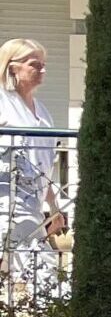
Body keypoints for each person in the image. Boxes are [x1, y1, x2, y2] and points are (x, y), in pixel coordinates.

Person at [1, 39, 66, 300]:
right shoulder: (3, 103)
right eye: (34, 64)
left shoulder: (43, 112)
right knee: (41, 270)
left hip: (32, 205)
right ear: (13, 68)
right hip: (7, 202)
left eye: (44, 65)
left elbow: (44, 164)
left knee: (33, 270)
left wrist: (54, 207)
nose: (42, 70)